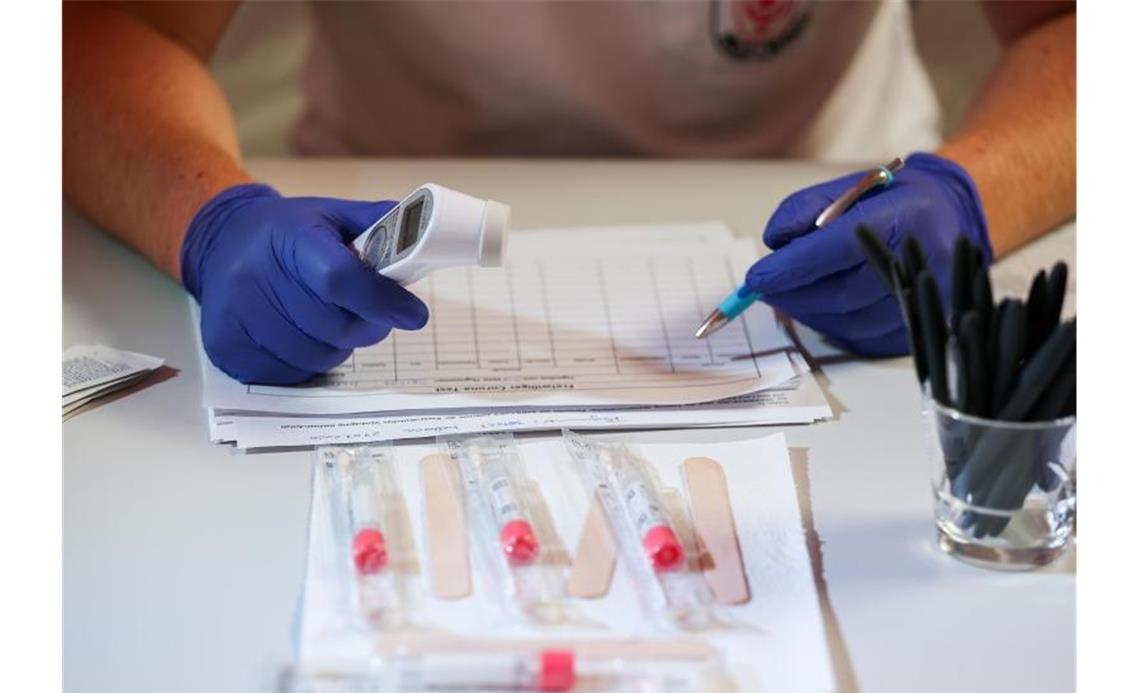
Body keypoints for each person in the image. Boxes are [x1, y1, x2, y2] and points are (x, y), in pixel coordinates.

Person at [63, 0, 1075, 385]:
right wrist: (210, 219)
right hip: (364, 224)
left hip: (831, 219)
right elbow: (98, 29)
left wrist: (966, 191)